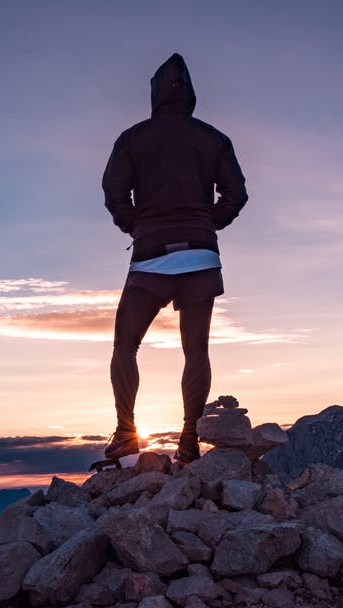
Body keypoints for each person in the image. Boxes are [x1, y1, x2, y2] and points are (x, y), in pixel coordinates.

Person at [101, 52, 248, 465]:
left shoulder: (131, 139)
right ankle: (188, 439)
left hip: (150, 255)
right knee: (196, 349)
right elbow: (236, 195)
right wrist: (206, 224)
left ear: (154, 93)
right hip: (200, 254)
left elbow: (114, 192)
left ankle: (127, 433)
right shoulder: (215, 138)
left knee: (125, 345)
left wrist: (137, 226)